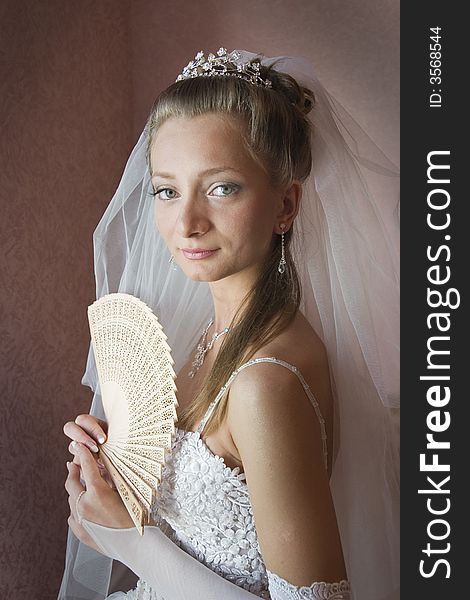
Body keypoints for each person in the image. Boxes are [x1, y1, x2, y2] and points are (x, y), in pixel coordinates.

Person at [59, 49, 399, 600]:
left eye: (221, 187)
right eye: (167, 190)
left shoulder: (266, 383)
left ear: (285, 205)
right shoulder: (201, 338)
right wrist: (114, 482)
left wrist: (130, 540)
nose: (187, 222)